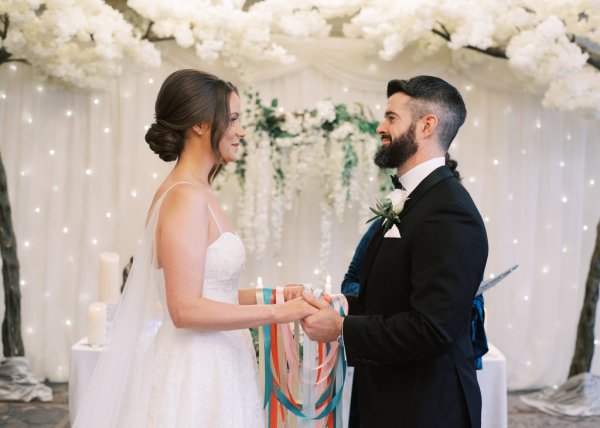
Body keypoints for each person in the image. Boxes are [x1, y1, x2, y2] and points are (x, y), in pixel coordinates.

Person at [73, 69, 316, 427]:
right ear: (200, 125)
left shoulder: (199, 191)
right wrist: (280, 314)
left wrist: (275, 295)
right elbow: (184, 309)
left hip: (220, 361)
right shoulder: (184, 196)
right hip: (196, 369)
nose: (241, 131)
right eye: (232, 119)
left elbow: (212, 291)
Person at [302, 76, 489, 428]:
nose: (379, 127)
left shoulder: (449, 211)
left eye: (391, 118)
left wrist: (341, 328)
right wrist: (339, 306)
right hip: (390, 398)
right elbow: (391, 300)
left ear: (426, 126)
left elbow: (432, 329)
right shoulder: (415, 200)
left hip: (426, 408)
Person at [341, 154, 488, 370]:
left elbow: (439, 317)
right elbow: (353, 278)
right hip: (387, 350)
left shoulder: (453, 216)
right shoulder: (390, 218)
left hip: (431, 364)